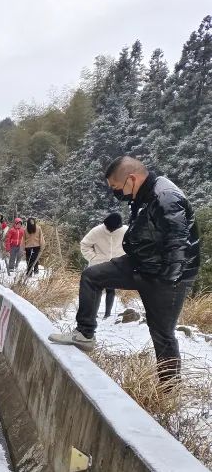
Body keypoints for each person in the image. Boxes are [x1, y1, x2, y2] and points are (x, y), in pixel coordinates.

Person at [50, 156, 202, 381]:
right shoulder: (143, 194)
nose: (116, 192)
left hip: (168, 277)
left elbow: (178, 243)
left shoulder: (165, 198)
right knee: (92, 276)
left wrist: (167, 281)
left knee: (162, 334)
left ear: (132, 179)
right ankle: (84, 334)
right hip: (140, 263)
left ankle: (169, 390)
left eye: (116, 187)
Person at [79, 213, 128, 318]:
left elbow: (131, 245)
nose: (111, 231)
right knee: (96, 289)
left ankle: (108, 313)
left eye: (113, 229)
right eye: (109, 228)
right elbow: (84, 244)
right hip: (98, 265)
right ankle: (93, 313)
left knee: (111, 288)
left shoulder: (125, 231)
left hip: (116, 264)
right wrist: (93, 257)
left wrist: (125, 259)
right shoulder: (97, 231)